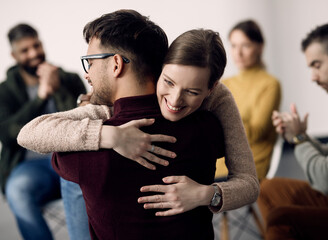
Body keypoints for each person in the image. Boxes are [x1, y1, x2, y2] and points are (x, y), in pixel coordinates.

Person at [18, 9, 259, 236]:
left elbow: (249, 183)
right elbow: (29, 133)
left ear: (116, 64)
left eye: (89, 62)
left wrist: (207, 194)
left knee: (71, 177)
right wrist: (111, 135)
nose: (87, 74)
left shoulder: (217, 98)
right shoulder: (209, 127)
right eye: (169, 82)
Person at [258, 22, 328, 239]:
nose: (313, 76)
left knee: (280, 219)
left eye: (317, 65)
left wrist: (298, 137)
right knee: (268, 188)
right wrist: (300, 136)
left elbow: (327, 180)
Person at [0, 24, 86, 240]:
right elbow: (9, 135)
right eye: (25, 50)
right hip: (32, 167)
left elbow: (85, 121)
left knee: (88, 180)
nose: (34, 53)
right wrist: (40, 96)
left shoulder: (69, 79)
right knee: (17, 190)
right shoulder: (4, 91)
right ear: (14, 55)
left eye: (36, 45)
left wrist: (57, 89)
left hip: (70, 159)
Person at [222, 20, 281, 181]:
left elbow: (255, 133)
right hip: (218, 164)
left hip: (250, 165)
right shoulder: (224, 84)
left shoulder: (269, 84)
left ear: (260, 47)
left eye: (245, 45)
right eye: (233, 46)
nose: (238, 53)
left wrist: (221, 118)